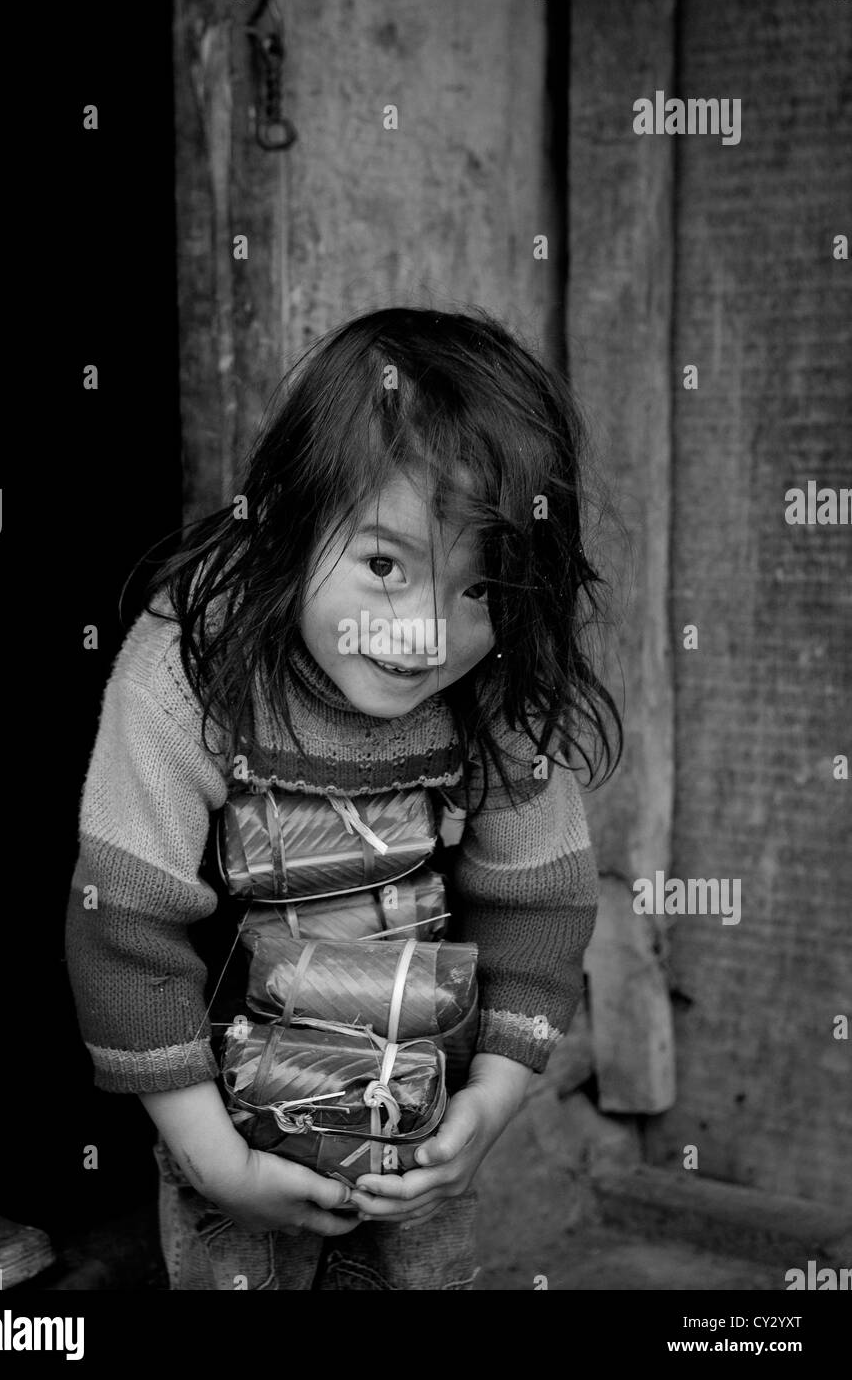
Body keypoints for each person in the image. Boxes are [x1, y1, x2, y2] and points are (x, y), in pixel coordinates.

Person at [64, 306, 622, 1290]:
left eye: (480, 586)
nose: (423, 634)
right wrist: (213, 1160)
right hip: (230, 1104)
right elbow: (126, 927)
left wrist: (484, 1109)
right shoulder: (189, 672)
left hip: (414, 1102)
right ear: (287, 520)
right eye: (382, 566)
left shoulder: (495, 689)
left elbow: (539, 904)